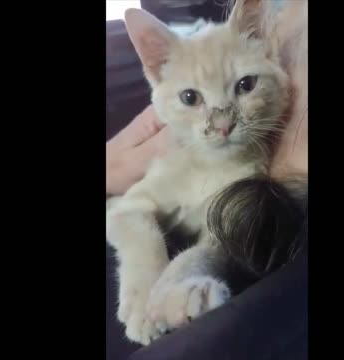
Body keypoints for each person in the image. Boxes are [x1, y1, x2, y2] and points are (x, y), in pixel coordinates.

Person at [106, 1, 308, 358]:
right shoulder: (171, 157)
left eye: (244, 85)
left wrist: (182, 276)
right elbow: (125, 210)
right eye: (191, 97)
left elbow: (220, 243)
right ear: (156, 70)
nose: (221, 126)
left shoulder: (261, 176)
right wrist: (145, 265)